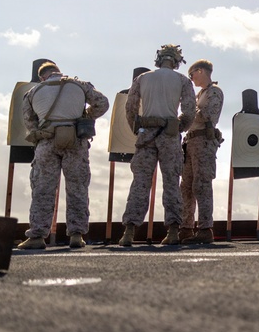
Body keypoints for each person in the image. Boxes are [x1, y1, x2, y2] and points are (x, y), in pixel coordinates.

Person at [17, 62, 108, 250]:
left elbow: (29, 121)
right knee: (77, 188)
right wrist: (86, 117)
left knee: (43, 189)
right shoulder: (80, 85)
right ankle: (76, 235)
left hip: (47, 142)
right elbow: (102, 103)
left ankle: (37, 236)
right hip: (75, 139)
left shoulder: (33, 92)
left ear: (42, 76)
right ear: (58, 71)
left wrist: (45, 130)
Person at [119, 44, 196, 247]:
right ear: (177, 61)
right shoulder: (182, 80)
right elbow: (189, 111)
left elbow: (130, 107)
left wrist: (137, 128)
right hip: (169, 136)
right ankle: (172, 232)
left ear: (158, 59)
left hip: (146, 135)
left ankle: (129, 232)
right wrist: (178, 127)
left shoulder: (142, 78)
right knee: (172, 182)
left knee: (140, 183)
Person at [179, 59, 224, 245]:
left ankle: (205, 228)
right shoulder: (200, 95)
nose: (191, 79)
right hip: (191, 142)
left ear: (201, 71)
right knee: (186, 187)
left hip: (203, 142)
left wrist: (190, 109)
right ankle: (186, 228)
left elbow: (208, 116)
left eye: (192, 74)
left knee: (201, 185)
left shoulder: (214, 92)